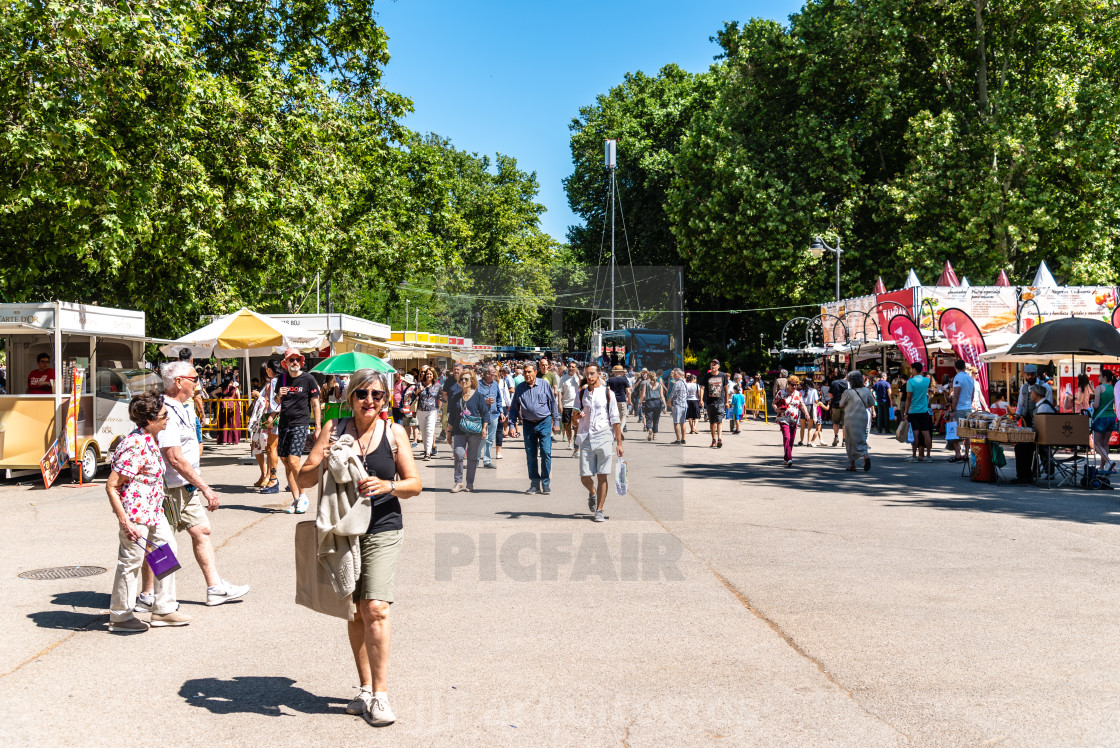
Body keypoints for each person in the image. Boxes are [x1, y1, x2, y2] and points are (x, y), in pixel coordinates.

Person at [297, 369, 422, 727]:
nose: (370, 401)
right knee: (354, 610)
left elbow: (415, 484)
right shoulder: (333, 430)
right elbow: (303, 479)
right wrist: (322, 456)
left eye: (378, 395)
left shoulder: (394, 433)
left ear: (386, 400)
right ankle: (365, 688)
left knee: (376, 607)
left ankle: (381, 696)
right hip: (343, 529)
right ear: (350, 397)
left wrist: (388, 486)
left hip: (383, 526)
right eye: (363, 394)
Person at [141, 361, 249, 609]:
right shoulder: (164, 410)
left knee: (201, 530)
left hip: (184, 485)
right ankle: (151, 596)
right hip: (169, 488)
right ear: (179, 382)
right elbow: (174, 458)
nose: (197, 382)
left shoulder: (182, 407)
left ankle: (215, 588)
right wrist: (205, 487)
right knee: (160, 544)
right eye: (194, 378)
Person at [106, 392, 187, 632]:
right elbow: (112, 485)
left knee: (167, 549)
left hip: (153, 511)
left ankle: (164, 608)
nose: (167, 417)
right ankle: (121, 617)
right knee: (130, 562)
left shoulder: (150, 439)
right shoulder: (135, 443)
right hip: (135, 515)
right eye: (163, 415)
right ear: (149, 420)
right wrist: (125, 521)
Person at [572, 364, 623, 522]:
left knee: (602, 475)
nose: (590, 377)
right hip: (586, 437)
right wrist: (576, 418)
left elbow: (615, 419)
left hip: (604, 436)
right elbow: (573, 420)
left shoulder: (608, 394)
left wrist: (619, 443)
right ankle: (592, 492)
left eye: (592, 374)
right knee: (584, 476)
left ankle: (599, 510)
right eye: (587, 374)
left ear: (599, 374)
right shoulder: (581, 395)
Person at [276, 349, 321, 514]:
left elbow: (315, 404)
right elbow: (275, 401)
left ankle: (303, 496)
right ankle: (295, 500)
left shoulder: (308, 379)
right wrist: (278, 396)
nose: (294, 362)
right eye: (291, 360)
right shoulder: (282, 378)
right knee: (286, 462)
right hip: (283, 424)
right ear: (286, 363)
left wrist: (318, 427)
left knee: (294, 462)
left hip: (300, 424)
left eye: (297, 359)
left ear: (301, 362)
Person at [508, 361, 561, 495]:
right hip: (528, 425)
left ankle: (545, 483)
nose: (527, 374)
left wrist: (556, 422)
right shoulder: (520, 388)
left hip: (544, 423)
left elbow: (553, 404)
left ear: (535, 372)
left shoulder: (544, 385)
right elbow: (514, 408)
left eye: (529, 372)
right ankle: (534, 484)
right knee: (531, 455)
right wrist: (511, 425)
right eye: (525, 372)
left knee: (546, 452)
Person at [448, 370, 487, 493]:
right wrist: (449, 432)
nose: (463, 381)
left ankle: (469, 483)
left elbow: (485, 412)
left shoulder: (478, 396)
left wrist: (484, 428)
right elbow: (453, 415)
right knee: (459, 454)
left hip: (474, 431)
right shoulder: (456, 396)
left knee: (472, 458)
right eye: (462, 379)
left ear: (472, 381)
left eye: (466, 379)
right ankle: (458, 482)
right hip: (459, 430)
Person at [839, 371, 876, 471]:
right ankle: (865, 456)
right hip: (862, 417)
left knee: (850, 440)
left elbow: (841, 404)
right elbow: (872, 403)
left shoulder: (848, 392)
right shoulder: (866, 390)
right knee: (862, 437)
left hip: (850, 418)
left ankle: (852, 465)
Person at [773, 375, 810, 467]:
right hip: (783, 418)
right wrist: (777, 409)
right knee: (787, 437)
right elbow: (774, 403)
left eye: (796, 385)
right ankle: (789, 458)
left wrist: (806, 413)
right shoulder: (781, 393)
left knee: (792, 439)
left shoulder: (798, 394)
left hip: (794, 419)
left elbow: (802, 405)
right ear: (788, 384)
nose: (794, 387)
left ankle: (786, 456)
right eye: (792, 385)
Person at [901, 363, 933, 463]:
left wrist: (906, 412)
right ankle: (928, 455)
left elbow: (908, 398)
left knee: (915, 433)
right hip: (924, 410)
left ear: (914, 369)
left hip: (913, 410)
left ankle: (914, 455)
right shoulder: (927, 380)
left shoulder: (910, 382)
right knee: (926, 433)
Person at [476, 365, 504, 468]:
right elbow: (474, 400)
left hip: (494, 415)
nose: (495, 375)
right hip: (481, 416)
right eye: (493, 373)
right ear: (487, 374)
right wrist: (485, 401)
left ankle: (487, 461)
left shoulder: (495, 384)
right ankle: (476, 459)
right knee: (481, 439)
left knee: (490, 440)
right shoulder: (478, 385)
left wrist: (501, 412)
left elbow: (498, 399)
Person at [698, 359, 730, 448]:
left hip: (720, 402)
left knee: (719, 421)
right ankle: (713, 440)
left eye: (715, 365)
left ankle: (720, 439)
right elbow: (702, 388)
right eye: (712, 364)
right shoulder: (706, 376)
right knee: (712, 422)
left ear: (718, 366)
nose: (713, 366)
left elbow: (726, 389)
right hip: (710, 402)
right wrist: (701, 399)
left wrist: (727, 402)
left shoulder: (723, 376)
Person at [948, 360, 974, 464]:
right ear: (964, 367)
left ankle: (958, 454)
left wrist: (953, 409)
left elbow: (956, 395)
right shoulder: (970, 378)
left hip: (959, 408)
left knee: (956, 432)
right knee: (967, 432)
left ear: (955, 367)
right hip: (968, 408)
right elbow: (972, 396)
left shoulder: (957, 377)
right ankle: (966, 454)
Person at [1091, 369, 1116, 473]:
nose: (1098, 377)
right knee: (1105, 444)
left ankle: (1109, 462)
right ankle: (1102, 467)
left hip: (1101, 418)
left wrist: (1091, 404)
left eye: (1099, 376)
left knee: (1096, 444)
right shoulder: (1113, 388)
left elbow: (1096, 405)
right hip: (1111, 417)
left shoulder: (1099, 388)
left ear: (1105, 377)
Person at [415, 369, 442, 461]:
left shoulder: (438, 386)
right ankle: (427, 450)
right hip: (421, 410)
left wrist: (439, 411)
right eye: (427, 374)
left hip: (432, 410)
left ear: (433, 375)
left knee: (430, 431)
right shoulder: (420, 384)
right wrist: (418, 390)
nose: (428, 376)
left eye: (430, 374)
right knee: (424, 432)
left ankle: (427, 453)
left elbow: (440, 398)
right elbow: (412, 396)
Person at [639, 370, 668, 440]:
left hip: (649, 402)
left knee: (648, 418)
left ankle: (649, 429)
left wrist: (640, 403)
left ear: (649, 377)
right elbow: (662, 396)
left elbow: (643, 395)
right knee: (656, 419)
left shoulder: (646, 384)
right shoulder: (659, 385)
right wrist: (665, 406)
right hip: (658, 403)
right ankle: (654, 435)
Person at [559, 361, 581, 449]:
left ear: (576, 368)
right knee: (567, 425)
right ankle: (570, 442)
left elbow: (582, 388)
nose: (571, 368)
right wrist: (559, 404)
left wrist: (579, 376)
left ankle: (575, 439)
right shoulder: (563, 378)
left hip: (576, 405)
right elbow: (560, 391)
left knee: (576, 425)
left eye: (573, 367)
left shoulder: (578, 378)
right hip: (566, 405)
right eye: (570, 367)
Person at [215, 375, 242, 445]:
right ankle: (233, 440)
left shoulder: (222, 388)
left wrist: (219, 399)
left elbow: (213, 393)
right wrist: (241, 410)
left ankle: (224, 440)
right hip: (234, 408)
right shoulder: (235, 389)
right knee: (234, 423)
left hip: (224, 408)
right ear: (231, 381)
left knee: (224, 422)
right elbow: (239, 400)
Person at [606, 365, 632, 434]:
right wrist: (629, 401)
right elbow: (628, 392)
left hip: (612, 401)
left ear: (614, 372)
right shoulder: (624, 379)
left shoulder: (610, 380)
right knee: (623, 416)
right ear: (621, 372)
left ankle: (614, 431)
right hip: (622, 400)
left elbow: (608, 391)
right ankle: (620, 430)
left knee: (613, 416)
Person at [828, 370, 850, 447]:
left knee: (836, 422)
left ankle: (836, 437)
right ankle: (844, 441)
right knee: (845, 424)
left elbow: (830, 394)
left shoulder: (834, 383)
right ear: (845, 375)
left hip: (835, 405)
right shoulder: (848, 383)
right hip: (846, 405)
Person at [668, 368, 689, 444]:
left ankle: (678, 439)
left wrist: (669, 401)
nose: (674, 375)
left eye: (675, 374)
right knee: (683, 422)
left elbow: (672, 394)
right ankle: (683, 439)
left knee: (676, 422)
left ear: (679, 374)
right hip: (684, 404)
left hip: (678, 404)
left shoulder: (677, 383)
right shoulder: (685, 382)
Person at [797, 379, 820, 447]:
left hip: (802, 408)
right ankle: (809, 442)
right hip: (811, 408)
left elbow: (799, 401)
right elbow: (816, 400)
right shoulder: (814, 391)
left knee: (802, 427)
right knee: (810, 427)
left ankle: (801, 441)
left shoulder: (801, 391)